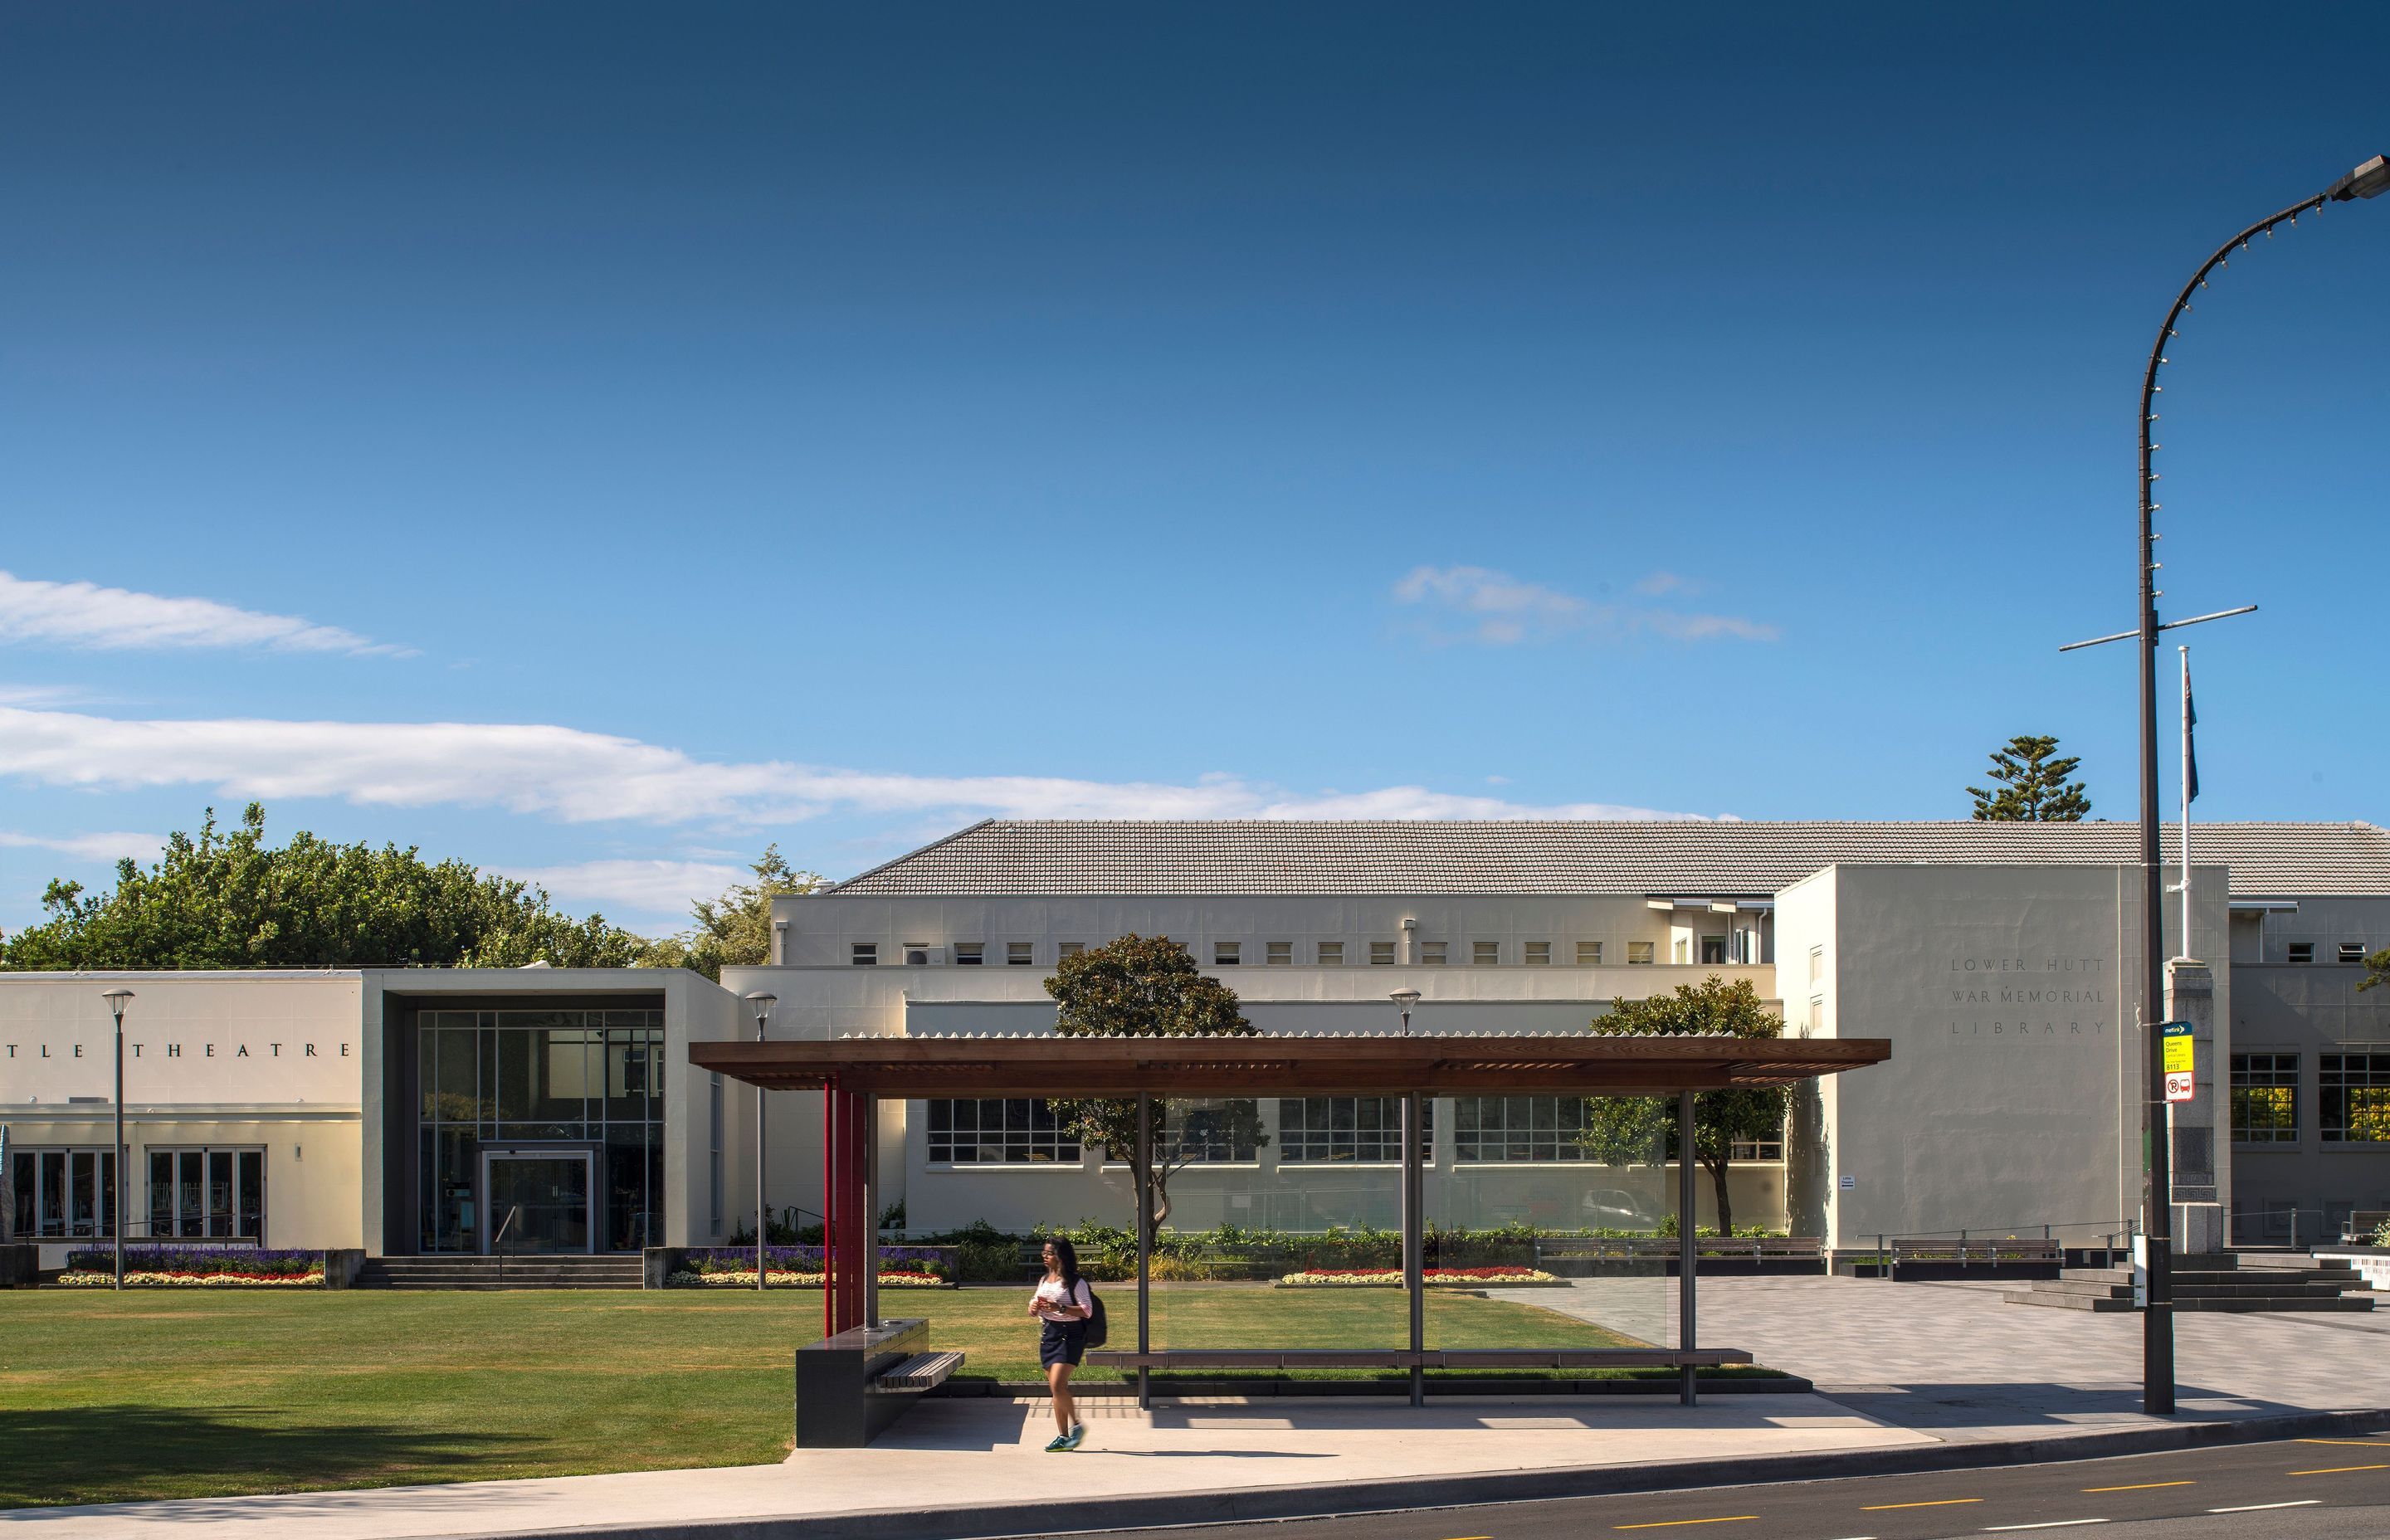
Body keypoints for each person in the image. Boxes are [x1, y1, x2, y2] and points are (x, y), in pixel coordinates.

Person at [1029, 1235, 1093, 1450]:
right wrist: (1034, 1308)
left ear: (1060, 1256)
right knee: (1057, 1390)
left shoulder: (1076, 1282)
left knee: (1057, 1385)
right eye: (1044, 1253)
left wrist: (1060, 1308)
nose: (1045, 1257)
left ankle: (1077, 1426)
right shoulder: (1045, 1280)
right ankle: (1063, 1437)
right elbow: (1036, 1302)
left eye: (1049, 1253)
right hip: (1049, 1336)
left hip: (1071, 1337)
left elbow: (1086, 1310)